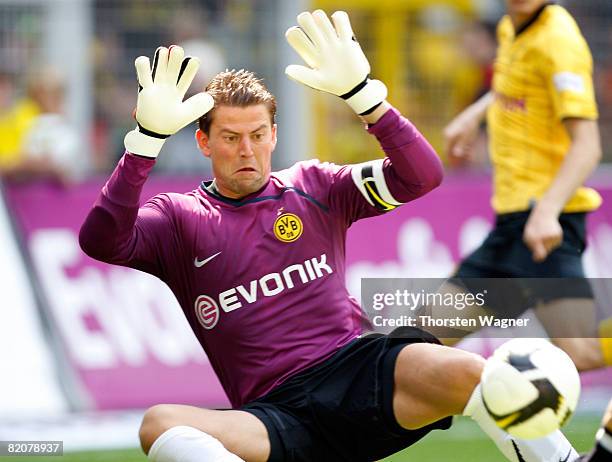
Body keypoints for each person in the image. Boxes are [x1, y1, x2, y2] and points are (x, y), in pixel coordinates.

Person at [80, 11, 579, 462]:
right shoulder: (179, 217)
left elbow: (421, 176)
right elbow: (101, 241)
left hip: (364, 376)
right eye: (231, 138)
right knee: (160, 424)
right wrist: (143, 145)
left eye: (258, 134)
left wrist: (364, 94)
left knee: (487, 374)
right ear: (205, 142)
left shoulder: (313, 186)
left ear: (274, 135)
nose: (247, 150)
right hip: (277, 417)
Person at [443, 0, 611, 370]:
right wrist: (475, 113)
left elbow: (588, 146)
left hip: (546, 230)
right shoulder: (510, 28)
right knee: (416, 340)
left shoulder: (558, 40)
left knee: (579, 353)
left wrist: (547, 212)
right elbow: (515, 86)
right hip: (510, 230)